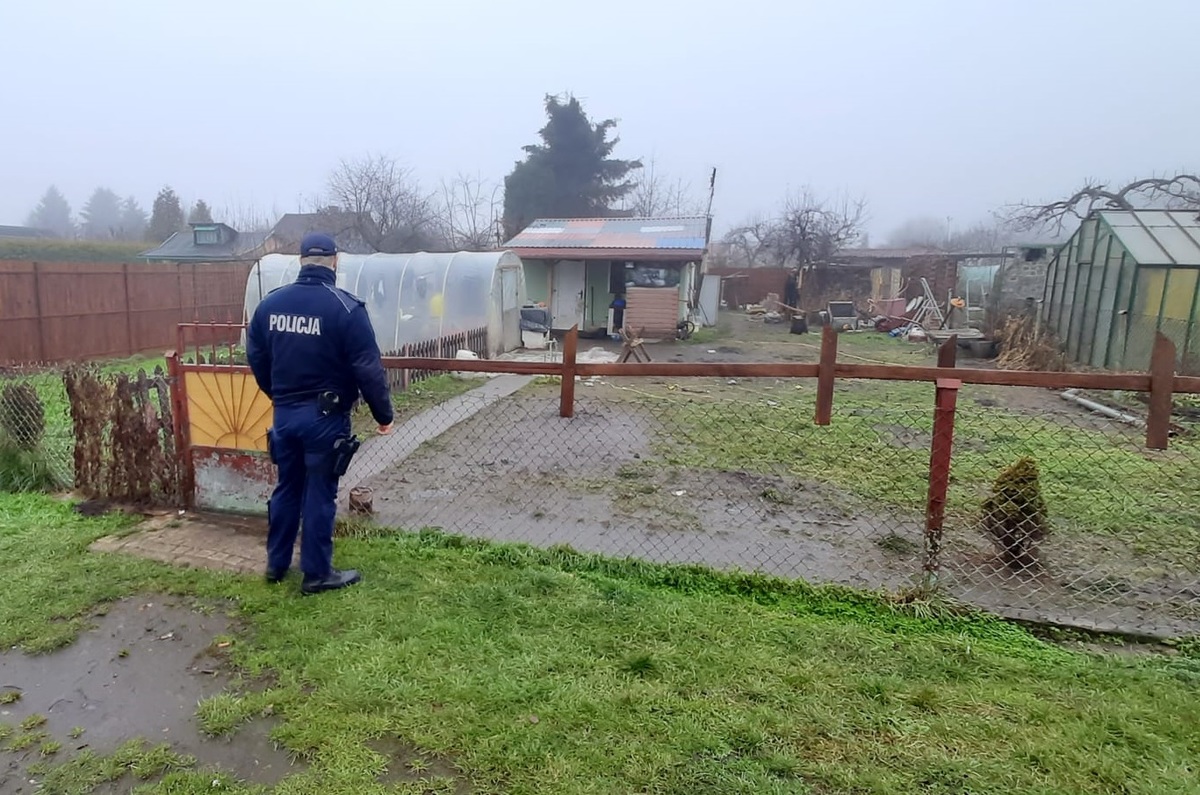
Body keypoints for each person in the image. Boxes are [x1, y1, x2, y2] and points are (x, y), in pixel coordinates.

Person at [246, 232, 394, 595]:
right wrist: (384, 415)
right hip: (325, 420)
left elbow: (257, 358)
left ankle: (276, 564)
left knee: (287, 488)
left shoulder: (269, 305)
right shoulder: (346, 309)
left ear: (301, 261)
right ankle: (316, 573)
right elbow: (368, 369)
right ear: (335, 261)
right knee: (319, 493)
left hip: (284, 416)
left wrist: (279, 395)